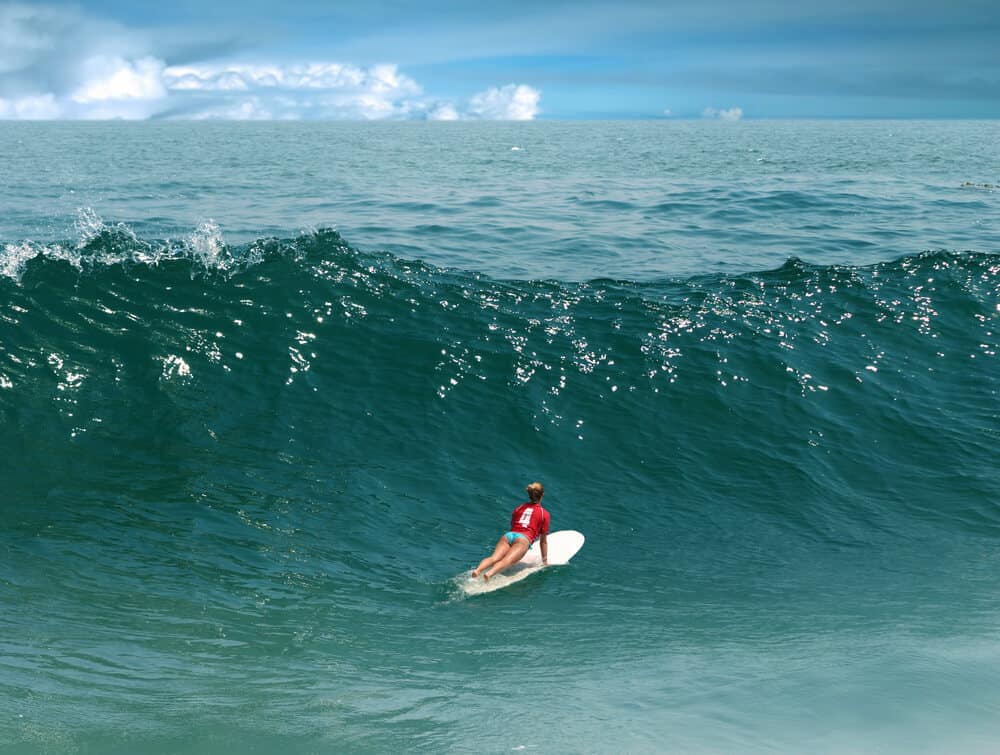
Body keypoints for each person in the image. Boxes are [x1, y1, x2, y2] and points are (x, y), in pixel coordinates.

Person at [472, 482, 550, 581]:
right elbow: (543, 541)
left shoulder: (519, 508)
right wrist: (545, 561)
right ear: (542, 495)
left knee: (494, 558)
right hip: (523, 539)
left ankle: (478, 570)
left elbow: (513, 524)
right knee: (506, 561)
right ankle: (489, 573)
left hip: (509, 536)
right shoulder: (544, 514)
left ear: (529, 494)